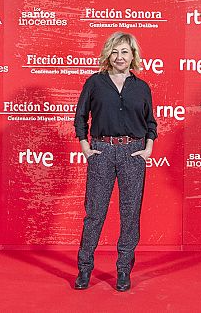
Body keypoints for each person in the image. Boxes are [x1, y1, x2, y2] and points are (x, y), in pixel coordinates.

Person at [72, 31, 157, 292]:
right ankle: (84, 269)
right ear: (108, 54)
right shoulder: (95, 83)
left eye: (125, 52)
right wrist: (86, 147)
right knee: (95, 213)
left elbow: (150, 122)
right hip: (102, 152)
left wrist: (148, 147)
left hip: (133, 153)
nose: (120, 57)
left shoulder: (141, 87)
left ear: (133, 56)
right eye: (115, 51)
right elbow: (80, 116)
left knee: (130, 215)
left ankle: (123, 271)